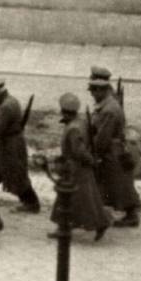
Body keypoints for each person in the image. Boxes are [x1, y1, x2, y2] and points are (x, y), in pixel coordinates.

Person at [48, 93, 112, 241]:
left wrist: (91, 161)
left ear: (65, 111)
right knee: (83, 200)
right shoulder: (80, 123)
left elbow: (79, 151)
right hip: (77, 168)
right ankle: (65, 226)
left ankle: (99, 223)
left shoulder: (73, 128)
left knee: (76, 200)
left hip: (75, 169)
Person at [89, 77, 141, 227]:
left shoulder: (109, 110)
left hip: (111, 152)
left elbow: (103, 136)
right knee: (117, 184)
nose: (92, 94)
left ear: (102, 91)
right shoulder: (109, 105)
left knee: (117, 184)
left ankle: (131, 216)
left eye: (94, 91)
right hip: (114, 149)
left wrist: (95, 151)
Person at [0, 77, 40, 213]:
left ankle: (31, 203)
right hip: (9, 143)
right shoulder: (11, 100)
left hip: (10, 146)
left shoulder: (5, 106)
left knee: (16, 175)